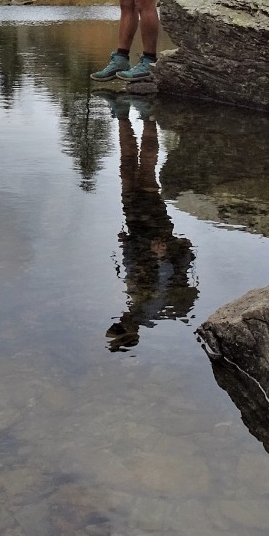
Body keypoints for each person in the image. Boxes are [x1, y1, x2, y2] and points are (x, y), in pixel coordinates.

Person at [102, 96, 197, 352]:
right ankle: (149, 118)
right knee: (146, 172)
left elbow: (132, 268)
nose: (119, 322)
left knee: (127, 170)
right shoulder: (150, 310)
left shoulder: (137, 307)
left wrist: (125, 245)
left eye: (116, 326)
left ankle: (124, 116)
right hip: (155, 233)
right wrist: (162, 256)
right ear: (133, 332)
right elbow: (164, 283)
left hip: (138, 231)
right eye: (121, 328)